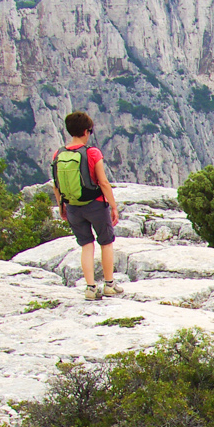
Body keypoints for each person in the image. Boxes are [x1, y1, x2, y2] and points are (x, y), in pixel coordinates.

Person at [52, 111, 123, 300]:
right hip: (96, 205)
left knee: (86, 245)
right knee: (106, 242)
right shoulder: (92, 153)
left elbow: (56, 184)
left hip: (73, 206)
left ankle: (90, 288)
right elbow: (103, 182)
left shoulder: (58, 154)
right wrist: (113, 205)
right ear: (86, 131)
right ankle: (109, 285)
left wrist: (61, 205)